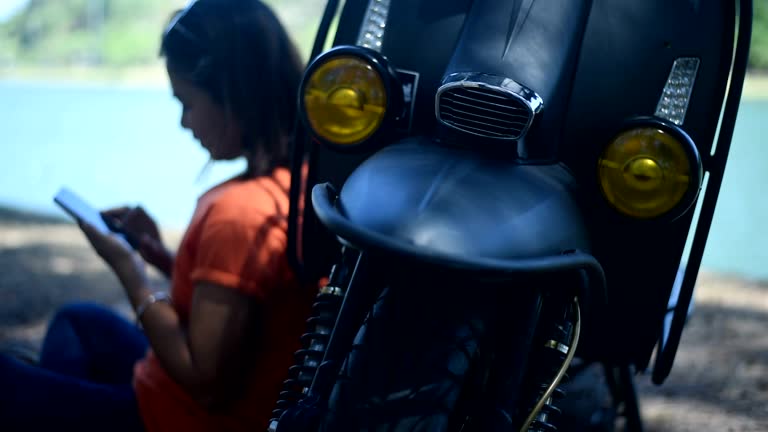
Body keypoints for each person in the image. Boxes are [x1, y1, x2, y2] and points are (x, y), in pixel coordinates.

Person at [0, 0, 314, 431]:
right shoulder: (298, 181)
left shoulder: (240, 216)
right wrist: (162, 258)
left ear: (232, 93)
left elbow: (205, 383)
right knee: (79, 321)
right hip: (184, 392)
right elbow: (246, 308)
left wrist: (130, 272)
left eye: (187, 102)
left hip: (174, 416)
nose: (185, 123)